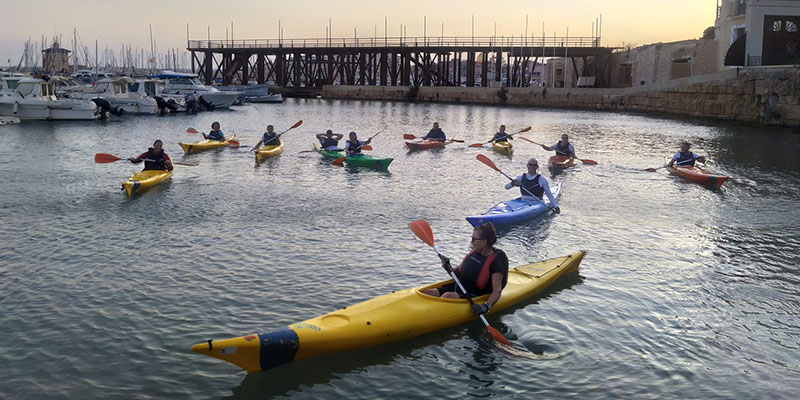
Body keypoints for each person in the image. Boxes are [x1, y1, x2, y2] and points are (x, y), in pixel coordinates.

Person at [422, 223, 509, 315]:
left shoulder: (497, 260)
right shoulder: (474, 253)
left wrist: (486, 306)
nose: (471, 242)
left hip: (475, 295)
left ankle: (429, 316)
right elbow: (456, 273)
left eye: (474, 239)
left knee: (447, 296)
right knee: (428, 292)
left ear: (484, 242)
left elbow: (497, 291)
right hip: (460, 287)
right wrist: (448, 266)